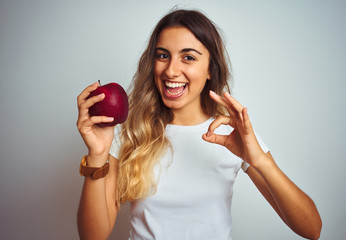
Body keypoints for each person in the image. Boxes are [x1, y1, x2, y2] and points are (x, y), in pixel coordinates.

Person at [76, 9, 322, 240]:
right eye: (163, 55)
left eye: (188, 57)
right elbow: (92, 236)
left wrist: (259, 160)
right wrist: (97, 155)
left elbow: (311, 229)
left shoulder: (232, 133)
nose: (171, 70)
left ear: (210, 70)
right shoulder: (131, 132)